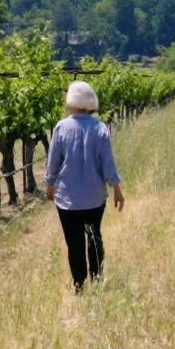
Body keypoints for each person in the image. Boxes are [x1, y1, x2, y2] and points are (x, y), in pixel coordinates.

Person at [43, 80, 124, 291]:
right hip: (94, 198)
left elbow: (53, 162)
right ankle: (96, 280)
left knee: (74, 243)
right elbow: (108, 164)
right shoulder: (100, 128)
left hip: (67, 200)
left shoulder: (61, 127)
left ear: (71, 101)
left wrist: (49, 185)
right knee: (94, 238)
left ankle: (79, 284)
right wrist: (116, 189)